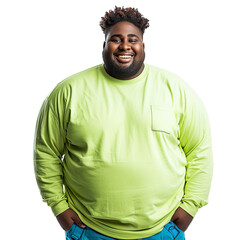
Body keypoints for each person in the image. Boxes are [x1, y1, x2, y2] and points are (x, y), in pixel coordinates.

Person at [34, 6, 213, 240]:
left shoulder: (176, 90)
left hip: (162, 230)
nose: (124, 46)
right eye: (115, 39)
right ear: (104, 45)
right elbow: (46, 152)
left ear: (143, 46)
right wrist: (58, 206)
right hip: (89, 230)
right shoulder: (68, 91)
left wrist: (190, 207)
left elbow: (200, 151)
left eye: (133, 39)